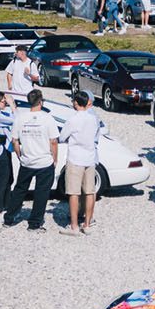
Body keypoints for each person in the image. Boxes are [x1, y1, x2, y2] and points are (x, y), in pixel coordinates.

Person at [3, 89, 59, 232]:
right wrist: (55, 159)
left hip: (27, 160)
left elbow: (15, 140)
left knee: (19, 190)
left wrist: (19, 155)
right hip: (44, 161)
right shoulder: (48, 118)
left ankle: (9, 218)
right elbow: (53, 141)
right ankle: (34, 223)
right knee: (41, 193)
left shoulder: (20, 118)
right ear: (41, 101)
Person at [59, 90, 100, 236]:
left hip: (76, 158)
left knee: (74, 192)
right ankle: (87, 224)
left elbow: (62, 137)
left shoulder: (73, 119)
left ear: (76, 103)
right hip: (90, 158)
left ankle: (74, 226)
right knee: (89, 191)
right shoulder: (93, 119)